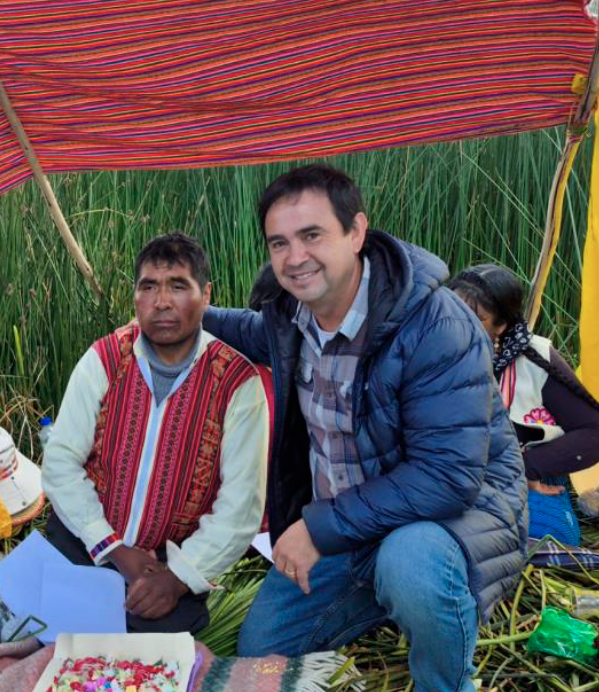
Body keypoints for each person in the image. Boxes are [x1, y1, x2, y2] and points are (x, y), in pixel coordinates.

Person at [201, 165, 526, 692]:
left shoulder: (436, 325)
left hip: (447, 519)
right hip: (352, 527)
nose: (295, 257)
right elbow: (247, 330)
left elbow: (448, 478)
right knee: (263, 650)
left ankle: (445, 679)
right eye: (279, 243)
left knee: (411, 564)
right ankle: (382, 595)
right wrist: (184, 309)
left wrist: (317, 528)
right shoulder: (291, 317)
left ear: (356, 232)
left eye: (312, 235)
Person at [42, 233, 272, 633]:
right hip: (86, 541)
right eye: (149, 287)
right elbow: (61, 462)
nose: (162, 302)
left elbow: (240, 508)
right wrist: (114, 548)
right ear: (135, 296)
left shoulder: (237, 383)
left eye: (178, 286)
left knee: (150, 649)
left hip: (169, 564)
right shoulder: (105, 358)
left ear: (206, 295)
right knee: (46, 634)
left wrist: (177, 578)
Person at [449, 264, 599, 545]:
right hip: (447, 477)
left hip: (521, 475)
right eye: (453, 312)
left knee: (546, 538)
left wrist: (526, 467)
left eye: (476, 318)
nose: (459, 325)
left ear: (501, 325)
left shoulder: (534, 359)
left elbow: (593, 432)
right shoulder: (427, 350)